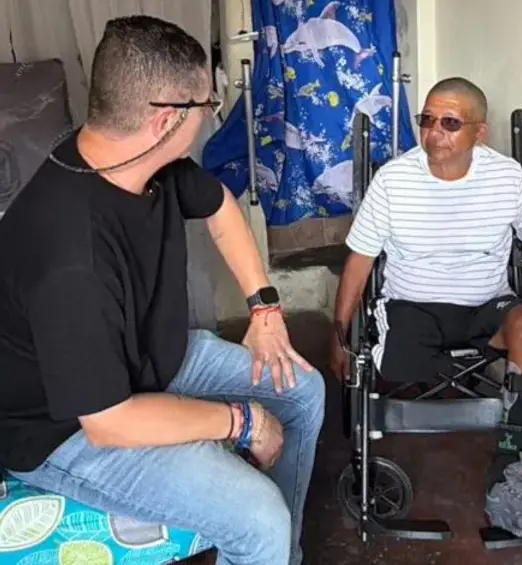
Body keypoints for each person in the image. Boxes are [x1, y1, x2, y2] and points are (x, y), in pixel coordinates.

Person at [0, 16, 324, 565]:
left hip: (151, 358)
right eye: (206, 104)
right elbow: (110, 422)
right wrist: (243, 420)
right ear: (168, 120)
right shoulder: (70, 253)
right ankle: (265, 542)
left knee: (301, 390)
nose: (210, 114)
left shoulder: (144, 164)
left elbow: (219, 204)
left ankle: (276, 555)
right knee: (256, 514)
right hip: (64, 428)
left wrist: (263, 306)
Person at [329, 77, 522, 541]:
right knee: (395, 364)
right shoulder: (394, 180)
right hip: (412, 307)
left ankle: (511, 475)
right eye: (426, 120)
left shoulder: (506, 176)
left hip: (484, 307)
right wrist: (339, 332)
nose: (433, 133)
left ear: (479, 132)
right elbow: (360, 261)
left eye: (449, 123)